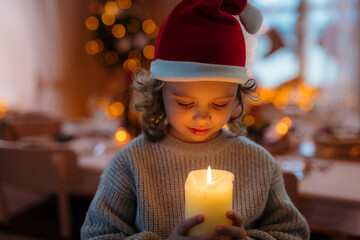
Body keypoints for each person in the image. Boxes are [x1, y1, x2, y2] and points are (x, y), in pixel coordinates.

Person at [81, 0, 310, 239]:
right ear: (159, 94)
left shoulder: (259, 164)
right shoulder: (132, 164)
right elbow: (96, 235)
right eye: (185, 103)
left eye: (219, 104)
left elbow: (293, 233)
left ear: (236, 100)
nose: (202, 116)